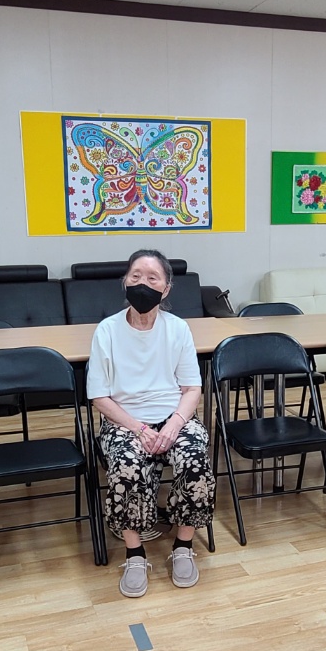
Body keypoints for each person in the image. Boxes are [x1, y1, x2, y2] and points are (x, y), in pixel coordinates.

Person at [86, 250, 215, 598]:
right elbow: (99, 396)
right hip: (125, 422)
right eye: (135, 276)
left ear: (166, 288)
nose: (142, 283)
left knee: (195, 458)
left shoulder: (178, 329)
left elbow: (192, 389)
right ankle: (135, 553)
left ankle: (184, 546)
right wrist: (139, 429)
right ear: (124, 282)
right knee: (127, 466)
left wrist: (173, 426)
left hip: (174, 417)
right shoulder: (107, 330)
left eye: (152, 277)